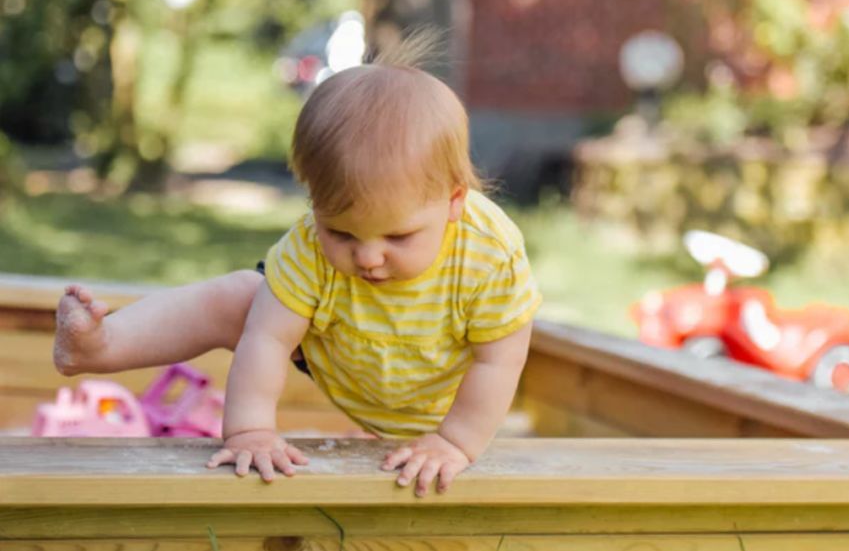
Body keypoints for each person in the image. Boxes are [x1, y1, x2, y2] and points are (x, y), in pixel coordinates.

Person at [52, 32, 542, 497]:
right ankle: (100, 345)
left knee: (479, 376)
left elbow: (500, 358)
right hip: (342, 350)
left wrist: (455, 441)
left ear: (455, 201)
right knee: (241, 298)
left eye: (399, 236)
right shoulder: (308, 245)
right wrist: (250, 430)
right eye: (342, 233)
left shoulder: (488, 254)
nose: (368, 257)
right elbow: (267, 339)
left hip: (442, 390)